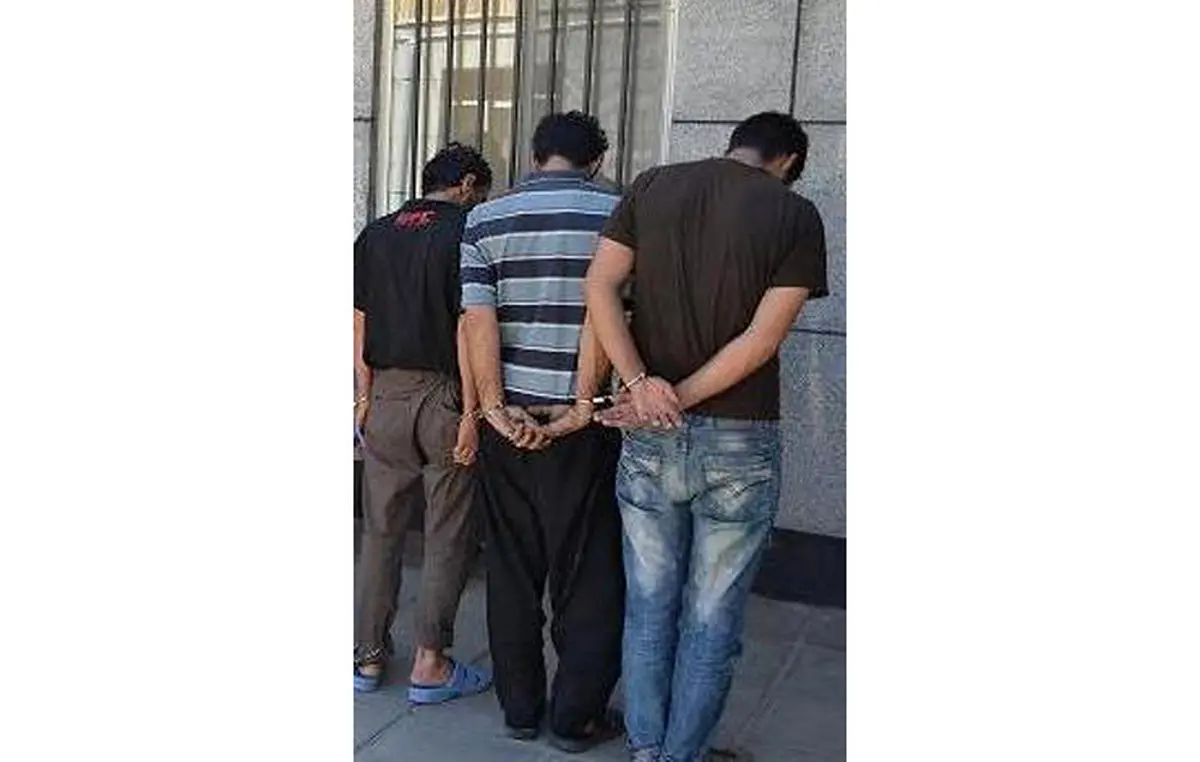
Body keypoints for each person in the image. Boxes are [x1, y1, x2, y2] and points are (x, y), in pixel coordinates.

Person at [585, 111, 830, 762]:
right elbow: (762, 339)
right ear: (788, 161)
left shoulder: (652, 185)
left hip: (649, 435)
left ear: (735, 144)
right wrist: (675, 396)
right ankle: (680, 755)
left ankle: (645, 748)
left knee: (648, 606)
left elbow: (600, 285)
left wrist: (643, 386)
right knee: (711, 619)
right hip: (740, 440)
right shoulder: (793, 213)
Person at [460, 111, 625, 754]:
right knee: (585, 572)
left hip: (509, 423)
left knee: (510, 567)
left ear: (534, 157)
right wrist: (580, 405)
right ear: (596, 162)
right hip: (584, 421)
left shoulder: (485, 218)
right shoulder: (617, 214)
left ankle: (521, 709)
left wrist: (495, 411)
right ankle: (574, 716)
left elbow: (477, 320)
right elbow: (609, 313)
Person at [353, 143, 494, 703]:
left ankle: (366, 658)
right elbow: (468, 327)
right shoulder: (469, 232)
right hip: (446, 395)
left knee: (379, 531)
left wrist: (363, 396)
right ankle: (430, 663)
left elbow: (357, 321)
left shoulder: (376, 234)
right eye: (480, 191)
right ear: (467, 184)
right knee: (447, 532)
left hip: (385, 393)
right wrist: (473, 414)